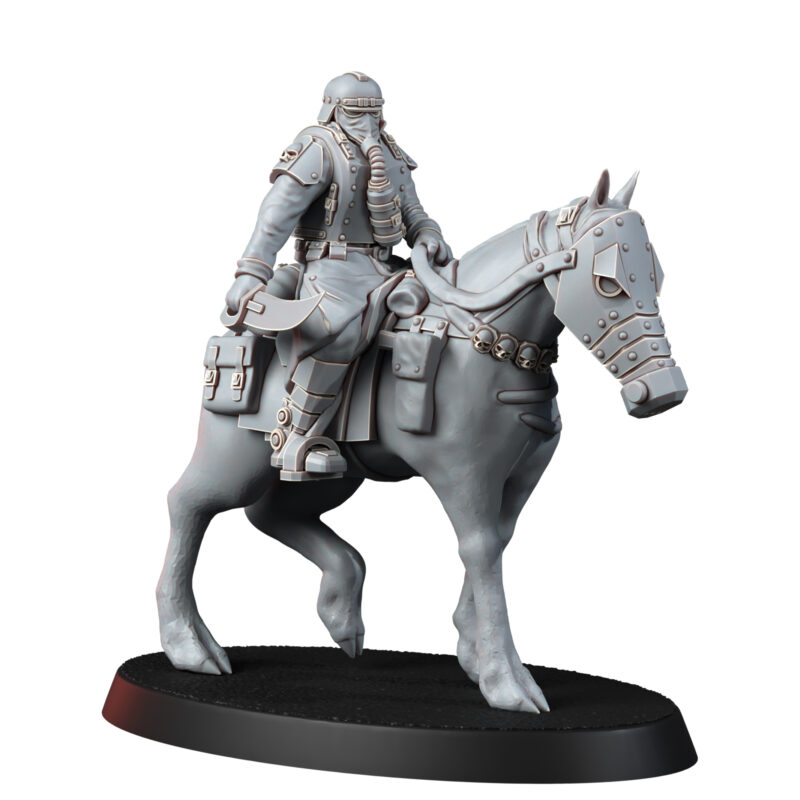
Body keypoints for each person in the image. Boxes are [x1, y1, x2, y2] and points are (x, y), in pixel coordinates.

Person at [224, 72, 451, 481]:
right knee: (339, 331)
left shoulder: (391, 152)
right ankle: (297, 438)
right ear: (332, 109)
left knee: (444, 313)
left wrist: (427, 234)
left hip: (387, 268)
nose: (367, 122)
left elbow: (411, 209)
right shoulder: (318, 148)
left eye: (374, 112)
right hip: (331, 270)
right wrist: (251, 270)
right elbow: (276, 215)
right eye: (356, 112)